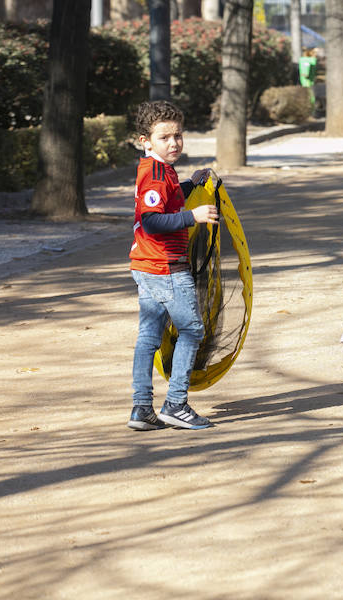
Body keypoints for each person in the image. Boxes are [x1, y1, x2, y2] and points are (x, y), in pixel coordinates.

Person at [127, 100, 218, 431]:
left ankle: (141, 409)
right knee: (192, 330)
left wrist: (191, 185)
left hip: (146, 264)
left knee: (149, 335)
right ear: (146, 141)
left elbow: (167, 199)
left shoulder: (160, 170)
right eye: (164, 137)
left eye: (178, 135)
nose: (174, 143)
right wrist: (193, 216)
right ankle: (176, 404)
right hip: (165, 267)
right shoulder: (154, 174)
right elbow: (152, 221)